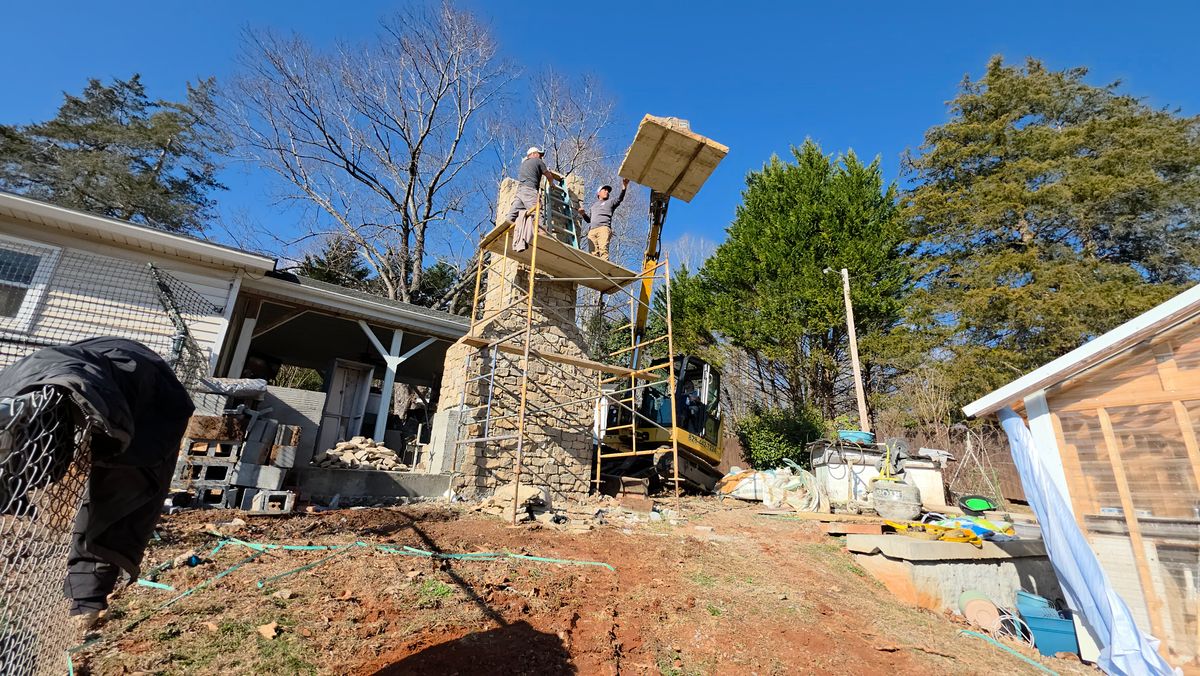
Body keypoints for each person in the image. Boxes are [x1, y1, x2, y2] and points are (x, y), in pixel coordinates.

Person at [578, 177, 629, 260]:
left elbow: (620, 199)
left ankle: (604, 266)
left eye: (608, 191)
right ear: (598, 193)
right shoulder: (593, 206)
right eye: (604, 190)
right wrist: (583, 214)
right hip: (592, 231)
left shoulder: (610, 202)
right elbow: (589, 220)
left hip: (604, 228)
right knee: (593, 254)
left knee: (603, 251)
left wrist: (624, 187)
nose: (607, 192)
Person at [504, 146, 552, 226]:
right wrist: (552, 183)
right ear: (533, 154)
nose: (541, 157)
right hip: (529, 191)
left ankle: (505, 229)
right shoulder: (538, 161)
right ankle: (540, 230)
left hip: (520, 192)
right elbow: (548, 175)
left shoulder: (524, 164)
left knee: (512, 214)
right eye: (539, 155)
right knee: (537, 212)